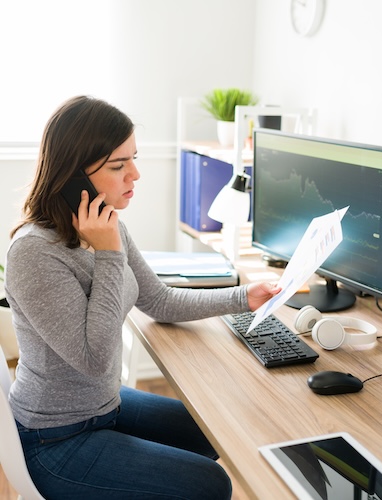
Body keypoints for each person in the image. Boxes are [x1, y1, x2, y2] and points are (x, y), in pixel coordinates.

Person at [4, 95, 280, 499]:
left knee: (213, 429)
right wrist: (110, 254)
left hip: (103, 406)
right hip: (55, 439)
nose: (135, 174)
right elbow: (94, 359)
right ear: (73, 176)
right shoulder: (34, 253)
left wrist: (245, 297)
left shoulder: (106, 223)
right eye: (118, 166)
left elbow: (160, 300)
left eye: (133, 158)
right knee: (210, 484)